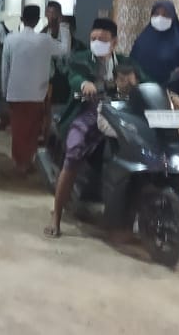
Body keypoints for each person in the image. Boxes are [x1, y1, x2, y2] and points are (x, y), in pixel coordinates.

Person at [45, 18, 147, 238]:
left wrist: (168, 94)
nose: (96, 43)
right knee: (74, 152)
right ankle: (56, 216)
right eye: (93, 39)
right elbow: (74, 76)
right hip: (89, 112)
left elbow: (146, 81)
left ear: (114, 42)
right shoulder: (81, 58)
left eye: (102, 39)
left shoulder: (126, 62)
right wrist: (84, 84)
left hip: (120, 114)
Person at [0, 5, 70, 176]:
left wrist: (4, 90)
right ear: (38, 20)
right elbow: (64, 49)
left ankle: (19, 161)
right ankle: (28, 160)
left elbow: (5, 67)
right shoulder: (44, 40)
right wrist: (64, 26)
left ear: (21, 19)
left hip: (15, 92)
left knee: (18, 129)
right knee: (33, 129)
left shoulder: (10, 39)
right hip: (37, 92)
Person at [130, 0, 179, 124]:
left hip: (173, 104)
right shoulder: (141, 42)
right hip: (143, 102)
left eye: (165, 14)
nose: (160, 18)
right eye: (156, 14)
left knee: (170, 135)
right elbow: (131, 68)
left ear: (173, 17)